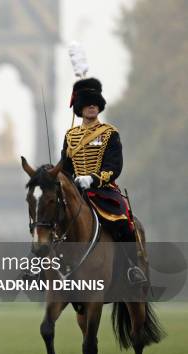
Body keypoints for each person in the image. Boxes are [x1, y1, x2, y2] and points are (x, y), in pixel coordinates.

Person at [61, 78, 147, 285]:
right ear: (80, 107)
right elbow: (65, 167)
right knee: (48, 221)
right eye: (87, 103)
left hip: (103, 191)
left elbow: (114, 167)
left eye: (95, 103)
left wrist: (92, 179)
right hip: (77, 192)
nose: (92, 106)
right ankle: (39, 270)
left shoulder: (110, 133)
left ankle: (132, 268)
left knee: (124, 223)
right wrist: (69, 181)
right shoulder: (70, 136)